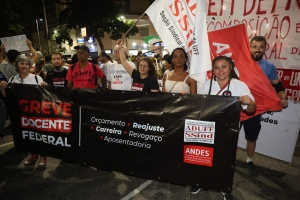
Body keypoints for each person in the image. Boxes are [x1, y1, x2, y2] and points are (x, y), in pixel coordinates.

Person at [192, 55, 256, 199]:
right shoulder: (207, 85)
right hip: (207, 129)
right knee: (204, 156)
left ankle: (224, 186)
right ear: (213, 70)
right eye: (216, 67)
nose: (220, 71)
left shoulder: (239, 85)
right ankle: (200, 181)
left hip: (228, 131)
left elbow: (251, 110)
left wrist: (250, 102)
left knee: (224, 159)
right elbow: (197, 106)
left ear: (230, 68)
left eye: (224, 67)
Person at [242, 36, 288, 176]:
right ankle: (226, 160)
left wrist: (283, 97)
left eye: (261, 47)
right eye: (255, 46)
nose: (258, 50)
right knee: (230, 135)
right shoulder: (240, 62)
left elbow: (278, 84)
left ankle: (249, 161)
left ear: (265, 49)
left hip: (255, 109)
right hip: (236, 106)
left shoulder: (269, 66)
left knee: (252, 137)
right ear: (250, 47)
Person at [0, 55, 48, 165]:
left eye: (27, 64)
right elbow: (8, 97)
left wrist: (45, 86)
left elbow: (45, 96)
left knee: (39, 134)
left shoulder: (36, 78)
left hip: (36, 112)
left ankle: (43, 156)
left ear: (30, 66)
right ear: (17, 65)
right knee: (28, 135)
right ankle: (33, 154)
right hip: (21, 114)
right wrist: (2, 89)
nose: (24, 66)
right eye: (22, 63)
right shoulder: (12, 79)